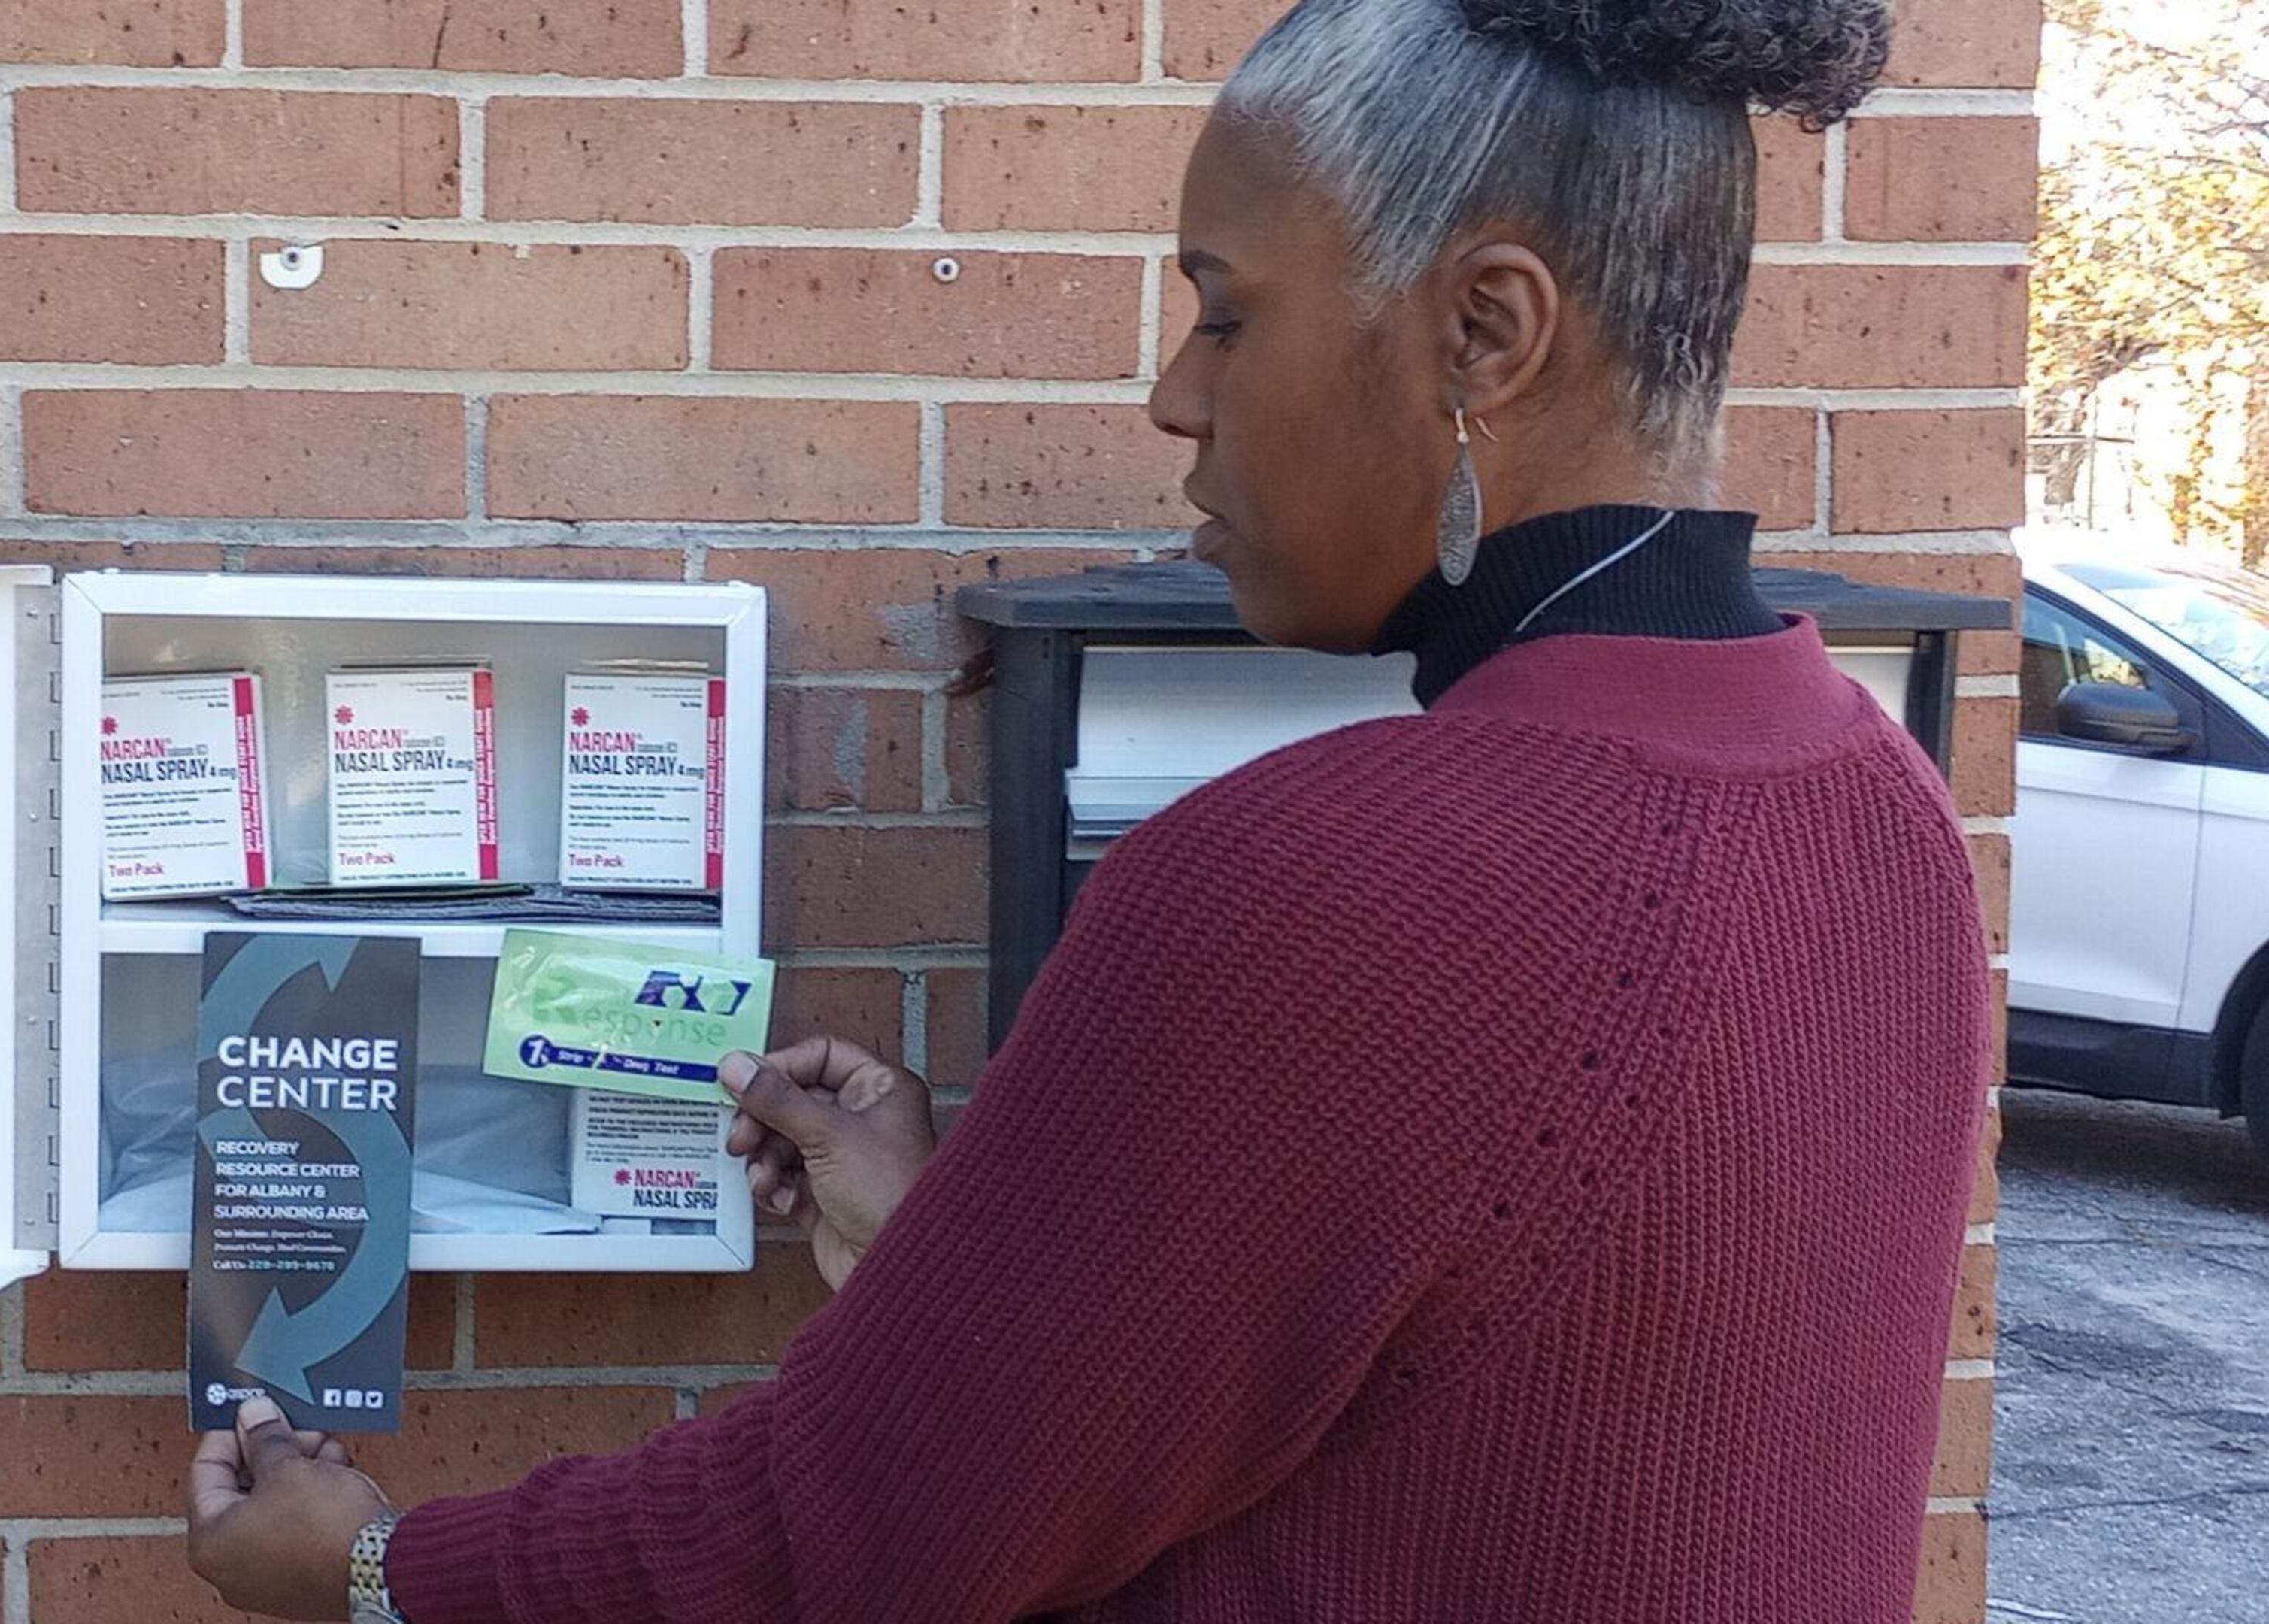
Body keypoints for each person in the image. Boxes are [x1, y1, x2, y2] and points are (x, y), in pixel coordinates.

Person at [184, 0, 1993, 1617]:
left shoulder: (1317, 878)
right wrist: (974, 1255)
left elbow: (849, 1541)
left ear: (1487, 332)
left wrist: (366, 1568)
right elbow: (1495, 1393)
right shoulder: (1887, 813)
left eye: (1226, 313)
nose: (1173, 398)